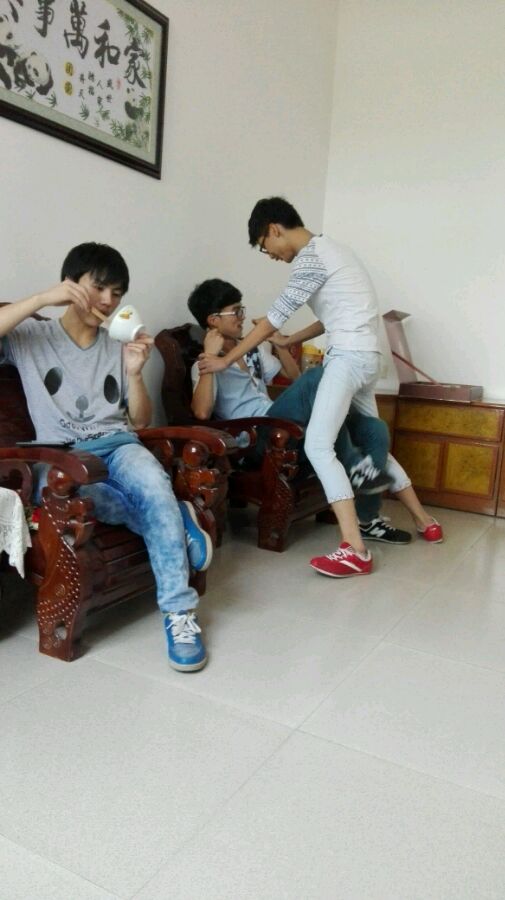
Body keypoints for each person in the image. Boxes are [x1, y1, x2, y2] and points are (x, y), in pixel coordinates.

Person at [198, 199, 443, 577]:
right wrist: (290, 340)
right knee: (367, 437)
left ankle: (354, 549)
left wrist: (225, 360)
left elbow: (271, 319)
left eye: (265, 246)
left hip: (347, 359)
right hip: (367, 358)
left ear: (274, 229)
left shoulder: (310, 259)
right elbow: (329, 318)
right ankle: (425, 520)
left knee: (317, 445)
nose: (270, 255)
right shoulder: (335, 251)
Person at [0, 242, 212, 672]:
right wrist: (41, 299)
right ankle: (177, 520)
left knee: (153, 485)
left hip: (118, 444)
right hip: (62, 459)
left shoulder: (118, 344)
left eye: (117, 293)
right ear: (70, 284)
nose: (108, 301)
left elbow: (141, 419)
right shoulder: (31, 337)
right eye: (99, 288)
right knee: (99, 499)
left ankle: (179, 613)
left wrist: (134, 373)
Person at [188, 277, 395, 503]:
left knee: (374, 428)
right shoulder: (203, 366)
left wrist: (279, 343)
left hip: (280, 423)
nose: (242, 317)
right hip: (257, 439)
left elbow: (295, 378)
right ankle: (355, 465)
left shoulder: (250, 350)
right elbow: (202, 412)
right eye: (236, 312)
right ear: (213, 320)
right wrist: (209, 356)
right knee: (317, 377)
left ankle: (367, 513)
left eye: (242, 310)